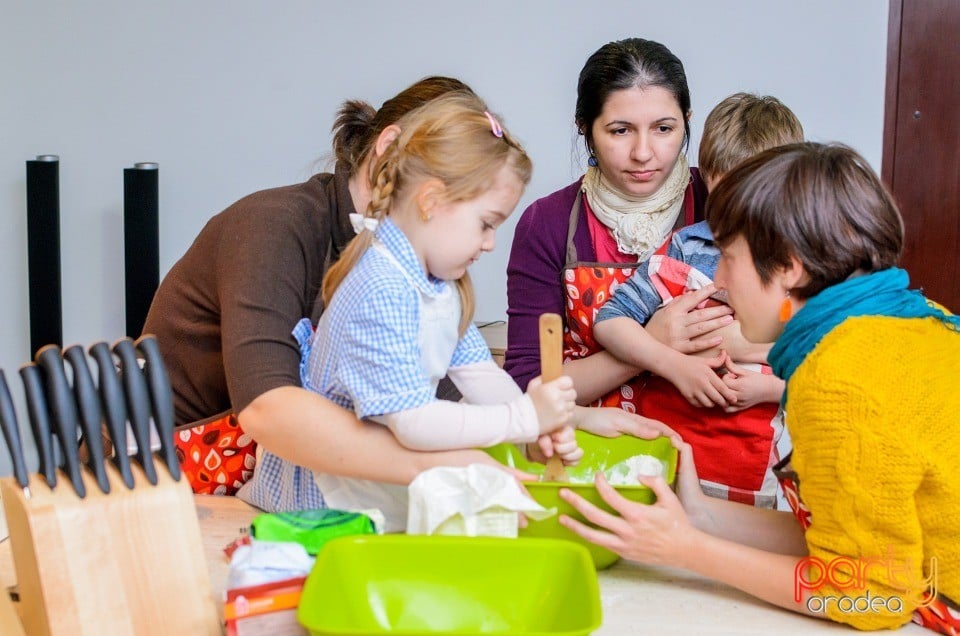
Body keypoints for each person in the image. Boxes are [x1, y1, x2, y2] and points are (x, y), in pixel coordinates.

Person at [558, 142, 960, 632]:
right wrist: (700, 515)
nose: (719, 279)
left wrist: (688, 550)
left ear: (789, 266)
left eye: (727, 256)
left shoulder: (841, 379)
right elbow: (852, 537)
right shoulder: (918, 321)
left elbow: (873, 596)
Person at [144, 76, 527, 495]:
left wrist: (536, 425)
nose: (486, 243)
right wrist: (435, 465)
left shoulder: (415, 270)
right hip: (170, 471)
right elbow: (267, 409)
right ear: (390, 150)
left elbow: (445, 393)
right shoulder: (273, 226)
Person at [240, 92, 581, 529]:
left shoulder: (439, 284)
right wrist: (523, 417)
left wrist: (534, 429)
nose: (490, 242)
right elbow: (414, 423)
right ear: (431, 200)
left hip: (370, 492)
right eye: (486, 222)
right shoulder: (381, 286)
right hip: (321, 510)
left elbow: (480, 375)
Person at [505, 37, 739, 414]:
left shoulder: (724, 200)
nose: (643, 153)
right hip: (591, 449)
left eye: (664, 129)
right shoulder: (547, 223)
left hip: (712, 451)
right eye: (620, 131)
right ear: (585, 128)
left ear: (687, 122)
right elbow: (527, 388)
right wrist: (649, 347)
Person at [593, 93, 804, 507]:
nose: (741, 214)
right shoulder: (687, 249)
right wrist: (673, 363)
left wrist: (767, 389)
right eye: (727, 195)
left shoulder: (805, 264)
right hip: (674, 451)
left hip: (761, 471)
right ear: (706, 177)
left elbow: (825, 373)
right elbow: (610, 321)